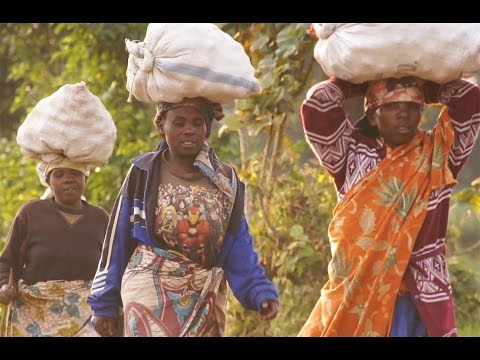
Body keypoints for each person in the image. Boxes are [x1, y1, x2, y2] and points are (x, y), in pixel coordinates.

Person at [297, 76, 480, 337]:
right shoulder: (351, 154)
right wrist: (360, 84)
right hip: (356, 290)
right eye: (391, 107)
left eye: (412, 106)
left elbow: (470, 100)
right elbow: (317, 105)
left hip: (417, 299)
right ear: (372, 115)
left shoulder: (438, 155)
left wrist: (425, 87)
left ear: (421, 113)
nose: (403, 113)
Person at [87, 97, 279, 337]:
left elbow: (239, 242)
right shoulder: (143, 173)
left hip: (202, 298)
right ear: (161, 127)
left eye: (197, 123)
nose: (189, 130)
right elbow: (117, 240)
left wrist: (260, 291)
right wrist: (104, 302)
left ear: (207, 128)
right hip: (148, 292)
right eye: (179, 123)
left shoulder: (225, 180)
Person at [0, 158, 109, 336]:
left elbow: (113, 267)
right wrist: (4, 286)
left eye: (75, 173)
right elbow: (7, 262)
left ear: (86, 178)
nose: (68, 179)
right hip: (34, 314)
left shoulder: (100, 218)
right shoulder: (31, 212)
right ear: (48, 181)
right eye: (59, 174)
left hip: (87, 314)